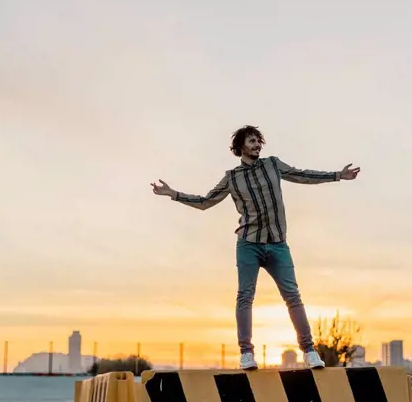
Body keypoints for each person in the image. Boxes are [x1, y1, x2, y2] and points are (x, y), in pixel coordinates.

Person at [150, 125, 360, 370]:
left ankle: (309, 351)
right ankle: (246, 353)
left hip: (278, 244)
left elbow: (303, 175)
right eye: (252, 141)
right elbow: (206, 202)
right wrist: (172, 193)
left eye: (259, 141)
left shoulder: (273, 164)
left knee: (293, 296)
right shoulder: (232, 177)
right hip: (248, 243)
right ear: (240, 146)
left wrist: (337, 175)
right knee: (245, 296)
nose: (257, 145)